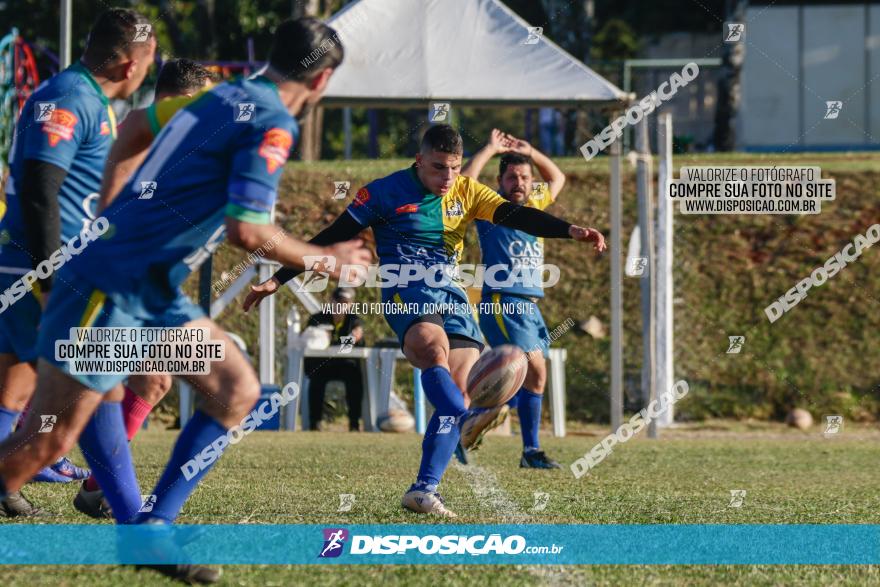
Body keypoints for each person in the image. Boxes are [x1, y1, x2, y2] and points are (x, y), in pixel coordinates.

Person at [0, 17, 369, 584]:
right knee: (46, 443)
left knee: (235, 388)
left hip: (149, 289)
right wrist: (329, 260)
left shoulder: (219, 98)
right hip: (111, 287)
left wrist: (108, 211)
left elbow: (130, 132)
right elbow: (248, 230)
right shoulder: (271, 123)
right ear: (321, 82)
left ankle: (150, 529)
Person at [243, 124, 606, 517]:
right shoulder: (383, 191)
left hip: (453, 297)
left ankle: (423, 489)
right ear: (419, 160)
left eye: (454, 168)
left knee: (460, 394)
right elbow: (332, 235)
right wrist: (278, 279)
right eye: (438, 168)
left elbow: (518, 216)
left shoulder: (467, 192)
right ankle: (465, 423)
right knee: (434, 353)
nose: (448, 177)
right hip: (406, 291)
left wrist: (570, 231)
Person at [0, 8, 156, 516]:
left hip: (52, 270)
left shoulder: (97, 102)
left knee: (22, 381)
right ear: (131, 64)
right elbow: (42, 191)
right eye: (150, 60)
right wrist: (49, 280)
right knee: (98, 390)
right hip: (41, 270)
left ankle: (17, 485)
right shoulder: (69, 96)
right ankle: (129, 514)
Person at [73, 57, 218, 521]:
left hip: (143, 287)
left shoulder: (184, 147)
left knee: (154, 379)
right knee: (54, 411)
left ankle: (99, 489)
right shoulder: (136, 138)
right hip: (102, 282)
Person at [462, 128, 567, 468]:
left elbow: (558, 178)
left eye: (524, 177)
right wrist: (490, 148)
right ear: (500, 181)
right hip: (503, 301)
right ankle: (474, 417)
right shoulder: (489, 206)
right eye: (511, 177)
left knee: (537, 375)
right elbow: (465, 180)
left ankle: (530, 451)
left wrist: (531, 151)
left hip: (530, 305)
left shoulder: (534, 203)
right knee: (528, 367)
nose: (518, 183)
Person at [304, 286, 365, 431]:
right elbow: (310, 340)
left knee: (355, 378)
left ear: (351, 304)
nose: (342, 306)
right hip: (322, 365)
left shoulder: (355, 320)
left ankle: (354, 424)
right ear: (331, 301)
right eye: (339, 302)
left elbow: (358, 336)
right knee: (316, 380)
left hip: (346, 365)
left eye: (346, 303)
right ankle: (315, 424)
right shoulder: (317, 318)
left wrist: (354, 337)